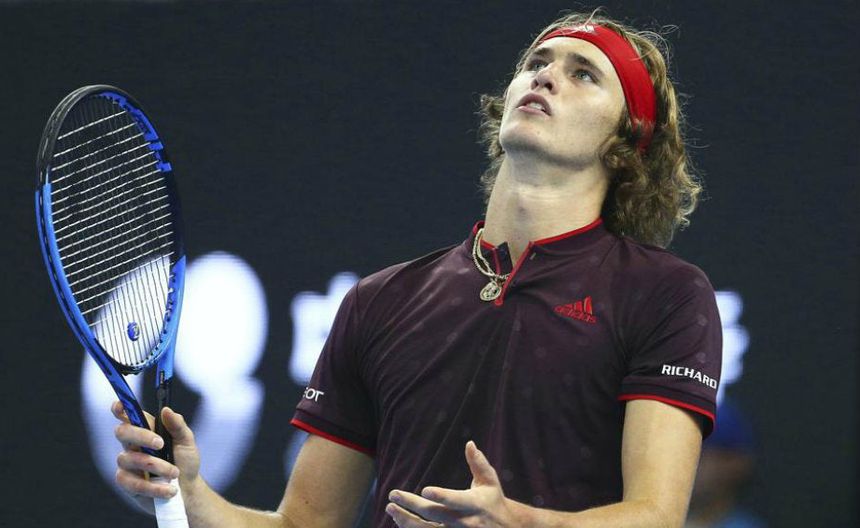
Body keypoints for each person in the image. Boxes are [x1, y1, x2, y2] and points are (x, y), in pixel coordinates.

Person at [113, 9, 722, 528]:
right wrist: (191, 494)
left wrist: (518, 522)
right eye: (537, 62)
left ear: (627, 140)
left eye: (583, 73)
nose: (545, 76)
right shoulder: (379, 300)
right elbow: (304, 523)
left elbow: (655, 517)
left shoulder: (665, 295)